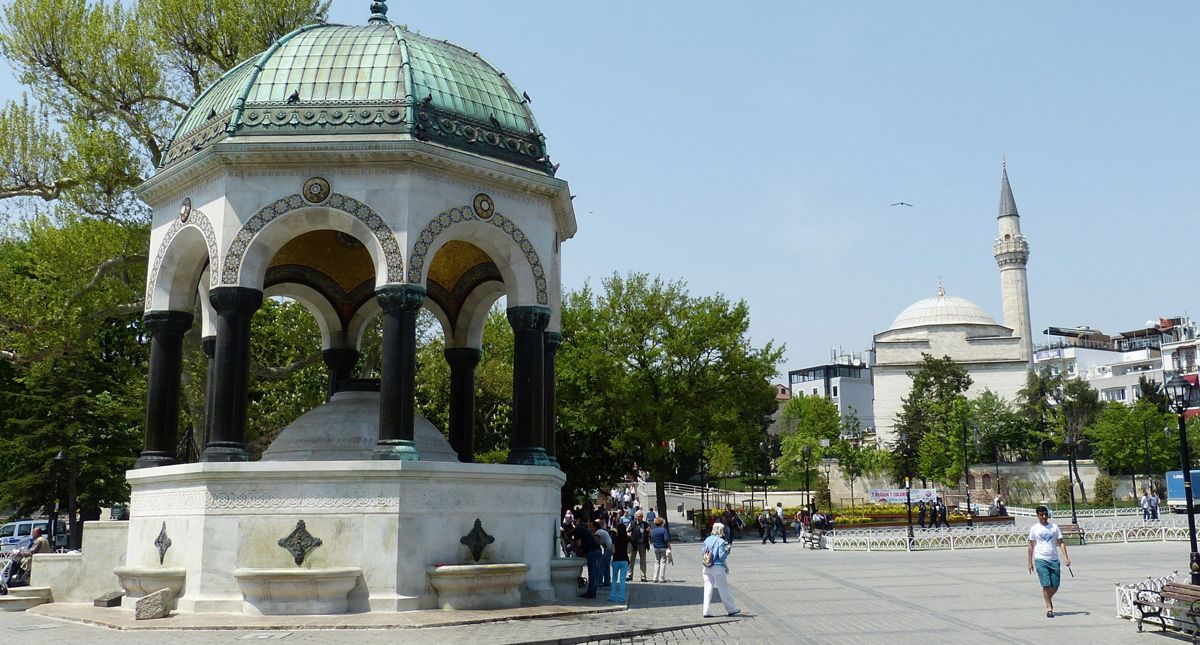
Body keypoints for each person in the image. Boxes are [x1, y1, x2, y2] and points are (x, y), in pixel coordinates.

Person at [1027, 504, 1071, 618]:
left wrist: (1066, 557)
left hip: (1054, 559)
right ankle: (1049, 608)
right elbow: (1031, 545)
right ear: (1037, 516)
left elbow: (1061, 542)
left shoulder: (1054, 527)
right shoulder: (1034, 528)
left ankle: (1047, 598)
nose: (1044, 517)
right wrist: (1029, 562)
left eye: (1045, 514)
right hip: (1041, 559)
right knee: (1046, 584)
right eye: (1041, 515)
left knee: (1055, 585)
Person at [700, 522, 741, 618]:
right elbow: (721, 556)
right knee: (723, 589)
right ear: (720, 531)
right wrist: (727, 550)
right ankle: (731, 609)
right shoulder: (720, 541)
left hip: (706, 567)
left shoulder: (707, 539)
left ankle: (706, 611)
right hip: (717, 567)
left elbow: (703, 553)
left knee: (707, 589)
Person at [572, 520, 602, 598]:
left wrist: (573, 547)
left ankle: (591, 592)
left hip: (592, 552)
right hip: (597, 551)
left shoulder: (577, 531)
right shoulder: (583, 530)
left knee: (592, 573)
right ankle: (593, 591)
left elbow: (578, 544)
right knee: (594, 573)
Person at [609, 523, 630, 603]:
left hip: (616, 560)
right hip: (624, 560)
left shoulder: (614, 539)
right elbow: (628, 551)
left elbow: (613, 551)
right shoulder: (627, 539)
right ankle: (622, 597)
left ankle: (613, 596)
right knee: (622, 579)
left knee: (614, 579)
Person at [628, 510, 650, 582]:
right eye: (639, 516)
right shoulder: (632, 524)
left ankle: (643, 576)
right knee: (631, 560)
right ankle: (630, 575)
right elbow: (627, 531)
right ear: (636, 517)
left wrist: (649, 531)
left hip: (642, 544)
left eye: (641, 516)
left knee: (643, 561)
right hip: (634, 544)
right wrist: (629, 535)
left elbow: (649, 534)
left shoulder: (645, 524)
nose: (640, 517)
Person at [593, 518, 613, 587]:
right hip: (609, 548)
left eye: (592, 527)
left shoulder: (598, 532)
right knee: (606, 566)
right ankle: (607, 581)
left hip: (608, 549)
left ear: (594, 527)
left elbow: (595, 541)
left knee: (600, 565)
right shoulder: (602, 531)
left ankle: (599, 581)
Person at [650, 516, 671, 583]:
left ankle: (655, 578)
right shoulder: (664, 530)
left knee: (656, 562)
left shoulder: (653, 530)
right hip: (663, 547)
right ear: (662, 523)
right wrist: (669, 546)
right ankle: (661, 578)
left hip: (656, 547)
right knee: (663, 562)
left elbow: (652, 538)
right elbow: (666, 539)